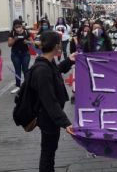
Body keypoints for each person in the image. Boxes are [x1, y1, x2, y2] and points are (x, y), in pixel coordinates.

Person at [30, 31, 75, 172]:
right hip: (47, 117)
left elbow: (56, 71)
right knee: (48, 152)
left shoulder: (46, 62)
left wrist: (69, 60)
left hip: (49, 117)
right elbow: (49, 101)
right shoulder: (42, 69)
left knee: (50, 150)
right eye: (60, 43)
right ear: (56, 46)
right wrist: (65, 123)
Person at [8, 19, 33, 94]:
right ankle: (18, 86)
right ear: (14, 27)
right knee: (17, 70)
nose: (18, 28)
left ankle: (27, 85)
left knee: (25, 69)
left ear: (21, 26)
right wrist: (15, 39)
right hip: (15, 54)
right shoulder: (12, 33)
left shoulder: (26, 32)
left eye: (19, 26)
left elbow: (32, 42)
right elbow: (9, 44)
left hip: (25, 53)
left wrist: (27, 41)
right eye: (16, 27)